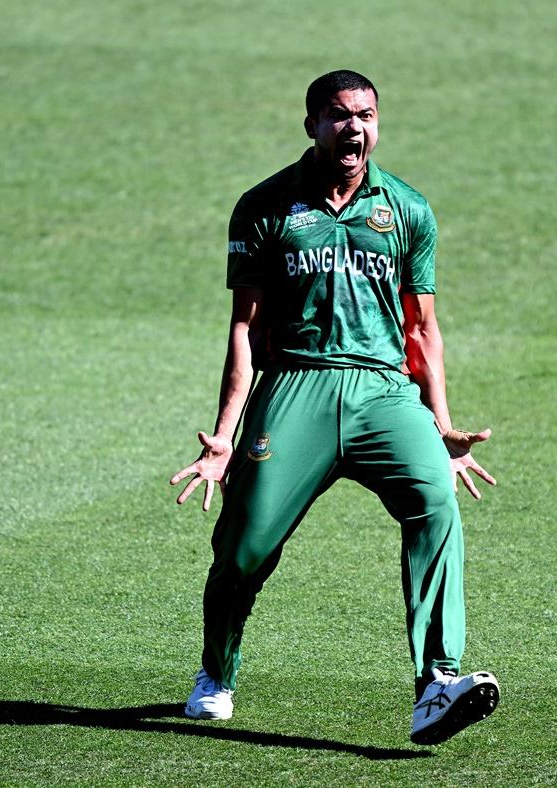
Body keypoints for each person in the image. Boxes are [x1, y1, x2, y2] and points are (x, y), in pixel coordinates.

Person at [170, 69, 498, 746]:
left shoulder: (406, 209)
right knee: (245, 546)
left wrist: (440, 423)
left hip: (383, 391)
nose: (355, 127)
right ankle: (216, 671)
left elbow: (422, 327)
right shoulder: (264, 207)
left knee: (436, 499)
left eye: (367, 115)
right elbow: (245, 328)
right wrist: (225, 437)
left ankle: (437, 681)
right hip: (296, 385)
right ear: (313, 125)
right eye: (340, 115)